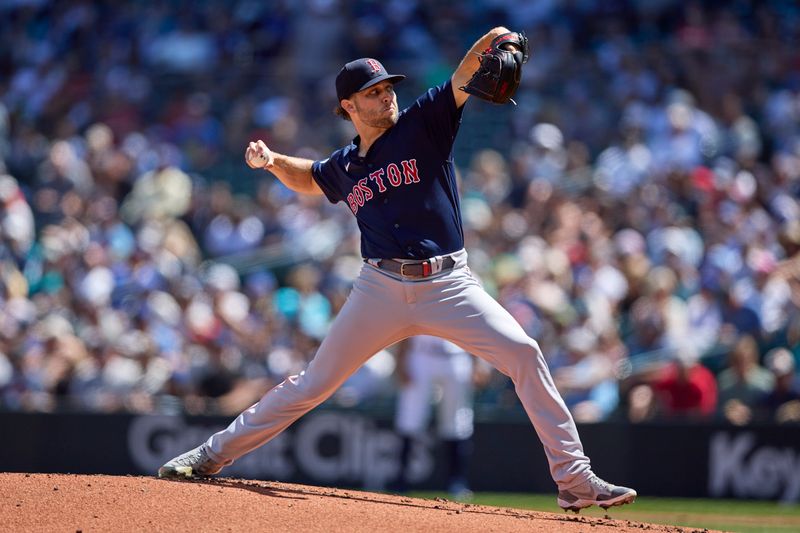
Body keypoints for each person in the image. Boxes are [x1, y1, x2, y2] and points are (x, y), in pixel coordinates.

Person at [158, 26, 637, 512]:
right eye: (373, 92)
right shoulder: (345, 166)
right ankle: (210, 455)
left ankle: (574, 479)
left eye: (388, 87)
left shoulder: (423, 124)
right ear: (348, 106)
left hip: (449, 283)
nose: (386, 95)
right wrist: (273, 161)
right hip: (380, 288)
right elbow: (309, 178)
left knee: (525, 353)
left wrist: (496, 37)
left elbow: (463, 75)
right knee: (310, 384)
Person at [392, 335, 489, 500]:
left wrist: (476, 363)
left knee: (457, 422)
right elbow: (406, 325)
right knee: (410, 417)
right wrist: (400, 361)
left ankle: (457, 481)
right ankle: (401, 479)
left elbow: (472, 327)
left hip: (456, 356)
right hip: (421, 355)